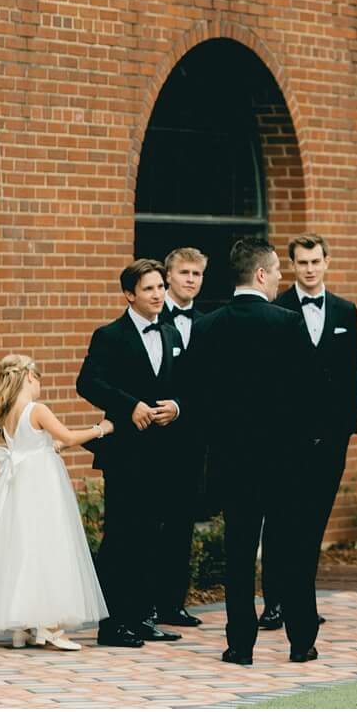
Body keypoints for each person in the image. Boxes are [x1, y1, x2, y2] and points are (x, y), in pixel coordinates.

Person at [190, 235, 322, 666]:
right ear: (261, 274)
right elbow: (309, 395)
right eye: (278, 272)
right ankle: (301, 641)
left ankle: (240, 644)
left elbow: (197, 397)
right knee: (293, 552)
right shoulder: (288, 322)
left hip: (232, 460)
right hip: (285, 461)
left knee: (240, 554)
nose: (281, 278)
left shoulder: (207, 325)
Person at [0, 354, 112, 649]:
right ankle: (49, 626)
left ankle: (24, 628)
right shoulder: (37, 409)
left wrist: (54, 444)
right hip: (41, 484)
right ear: (29, 377)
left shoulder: (6, 411)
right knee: (48, 547)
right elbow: (68, 434)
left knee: (20, 548)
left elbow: (34, 443)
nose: (40, 386)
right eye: (39, 379)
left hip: (17, 485)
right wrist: (102, 428)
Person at [75, 258, 186, 648]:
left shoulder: (172, 334)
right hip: (125, 454)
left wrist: (176, 405)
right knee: (122, 537)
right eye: (149, 289)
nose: (158, 294)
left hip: (165, 454)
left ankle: (142, 617)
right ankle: (113, 624)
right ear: (129, 294)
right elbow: (86, 382)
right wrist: (129, 405)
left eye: (160, 287)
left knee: (154, 537)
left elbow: (186, 385)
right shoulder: (109, 335)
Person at [262, 233, 357, 633]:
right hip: (287, 437)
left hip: (331, 438)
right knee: (281, 519)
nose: (309, 269)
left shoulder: (345, 310)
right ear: (292, 266)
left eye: (315, 261)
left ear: (327, 262)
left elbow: (351, 374)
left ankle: (303, 600)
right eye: (302, 262)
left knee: (315, 521)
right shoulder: (278, 308)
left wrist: (345, 431)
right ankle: (274, 603)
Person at [150, 245, 209, 630]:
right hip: (153, 441)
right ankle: (147, 604)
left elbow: (208, 384)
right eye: (184, 273)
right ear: (169, 276)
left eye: (198, 274)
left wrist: (184, 407)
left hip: (191, 442)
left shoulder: (207, 322)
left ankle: (174, 604)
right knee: (151, 524)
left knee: (181, 525)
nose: (191, 280)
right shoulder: (151, 317)